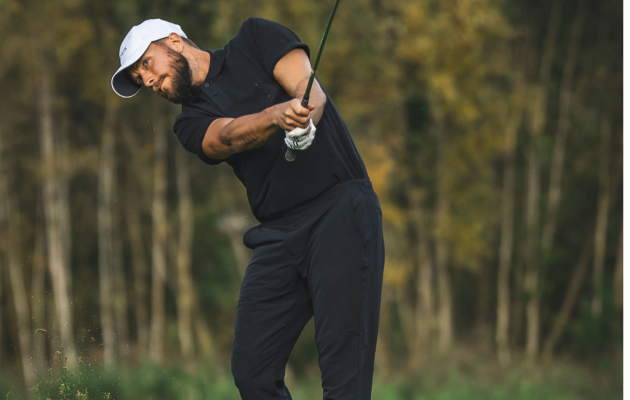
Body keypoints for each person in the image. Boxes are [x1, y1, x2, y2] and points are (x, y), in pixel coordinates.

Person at [111, 17, 384, 400]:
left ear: (174, 41)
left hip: (340, 209)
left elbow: (309, 89)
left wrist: (305, 118)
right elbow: (226, 137)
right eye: (141, 80)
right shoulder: (188, 123)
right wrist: (276, 116)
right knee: (252, 371)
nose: (149, 81)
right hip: (278, 233)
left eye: (146, 64)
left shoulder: (254, 38)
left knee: (343, 375)